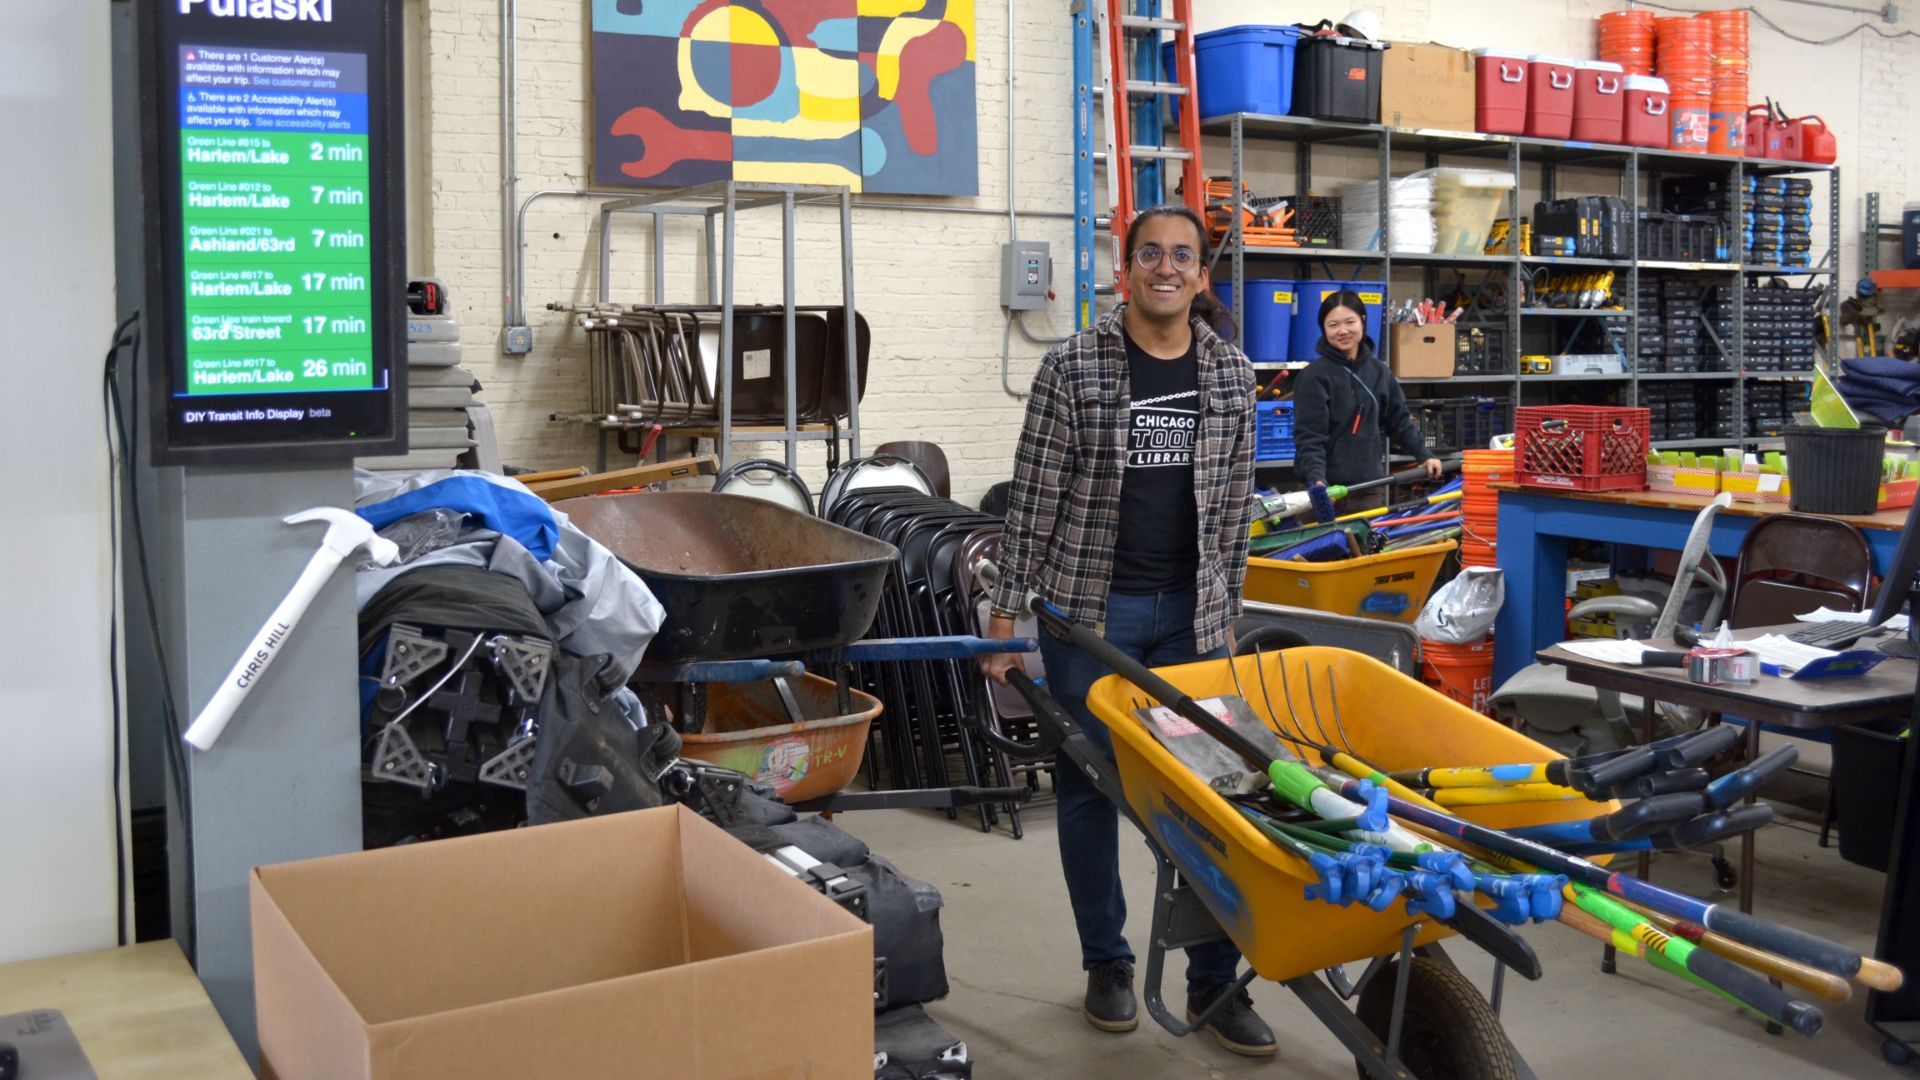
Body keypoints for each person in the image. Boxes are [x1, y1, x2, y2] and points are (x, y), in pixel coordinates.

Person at [980, 204, 1275, 1058]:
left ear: (1199, 275)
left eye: (1183, 255)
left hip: (1191, 620)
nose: (1167, 268)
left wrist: (1228, 615)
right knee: (1089, 791)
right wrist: (1007, 617)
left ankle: (1213, 982)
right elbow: (1031, 503)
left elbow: (1231, 512)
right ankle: (1107, 963)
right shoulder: (1073, 368)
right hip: (1088, 615)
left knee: (1210, 790)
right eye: (1151, 254)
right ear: (1127, 270)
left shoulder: (1229, 374)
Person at [1291, 291, 1443, 511]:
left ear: (1363, 321)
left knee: (1367, 545)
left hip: (1368, 488)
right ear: (1324, 329)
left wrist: (1424, 455)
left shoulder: (1379, 371)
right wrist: (1317, 481)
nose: (1342, 331)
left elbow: (1399, 421)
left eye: (1349, 322)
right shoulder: (1314, 376)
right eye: (1333, 325)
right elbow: (1309, 437)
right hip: (1325, 492)